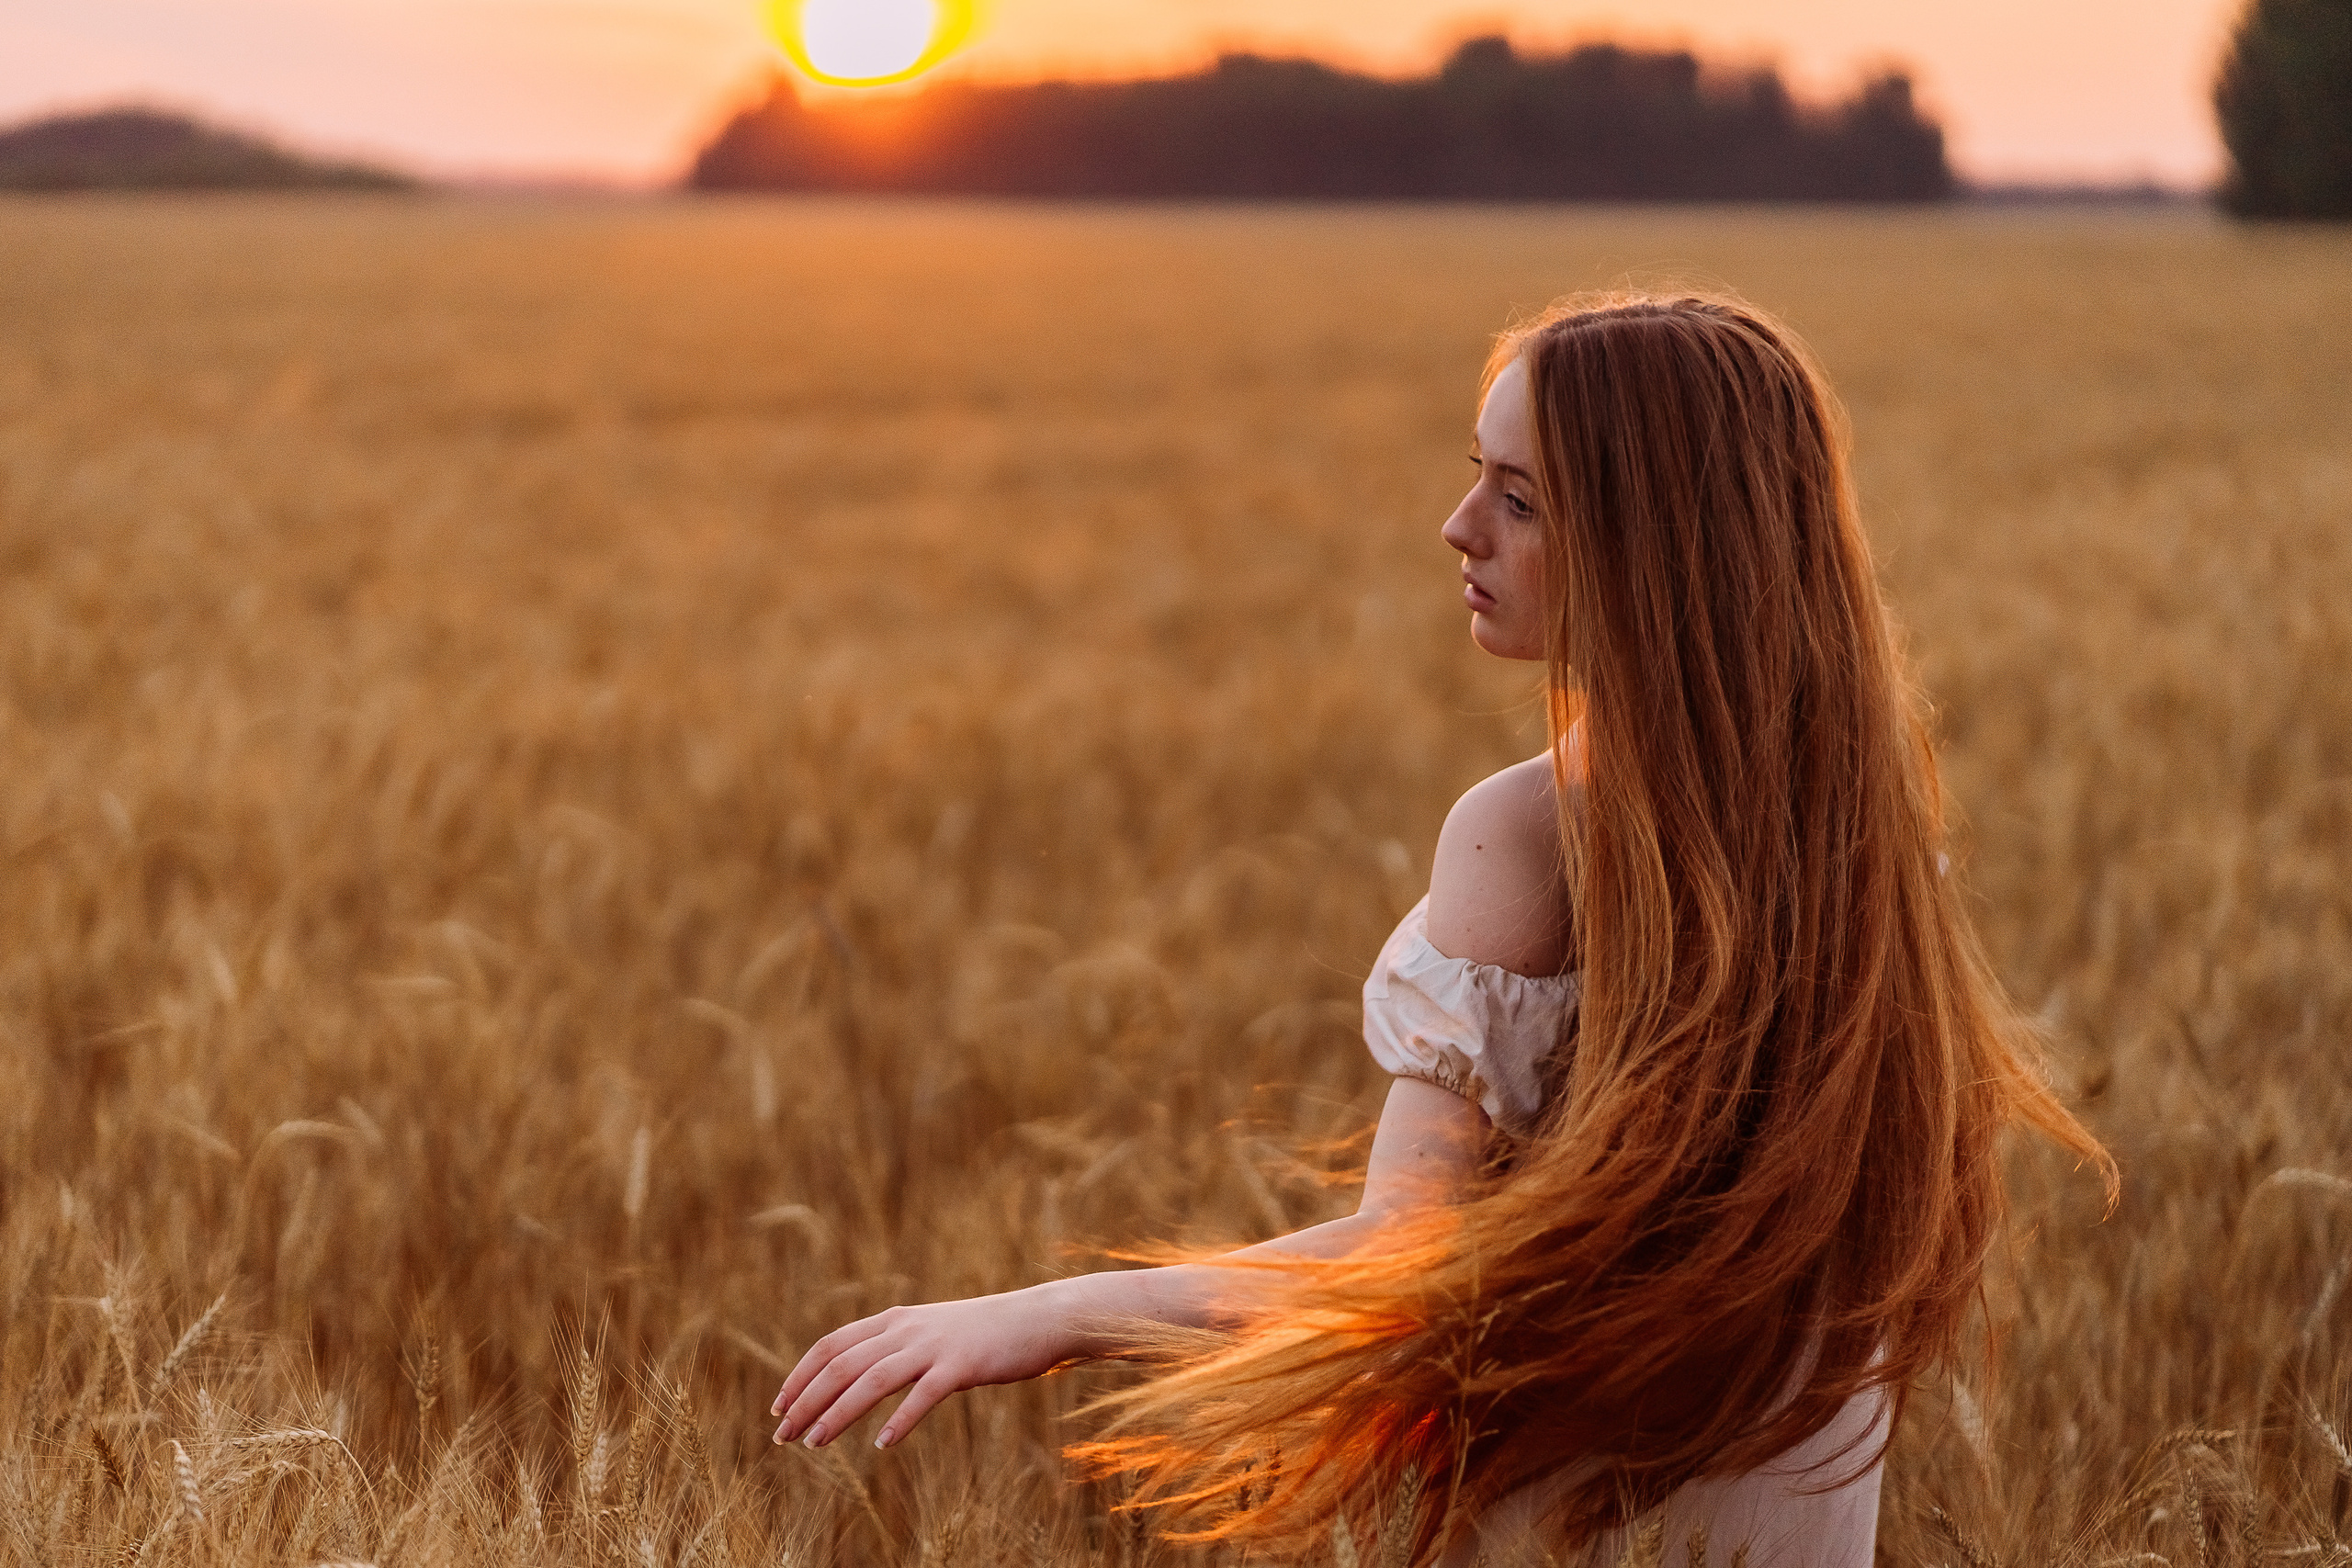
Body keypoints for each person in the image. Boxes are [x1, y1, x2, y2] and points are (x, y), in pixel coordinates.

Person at [768, 291, 2112, 1565]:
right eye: (1479, 473)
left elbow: (1406, 1260)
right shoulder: (1868, 834)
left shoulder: (1527, 833)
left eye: (1519, 501)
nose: (1459, 525)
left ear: (1659, 547)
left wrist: (1045, 1315)